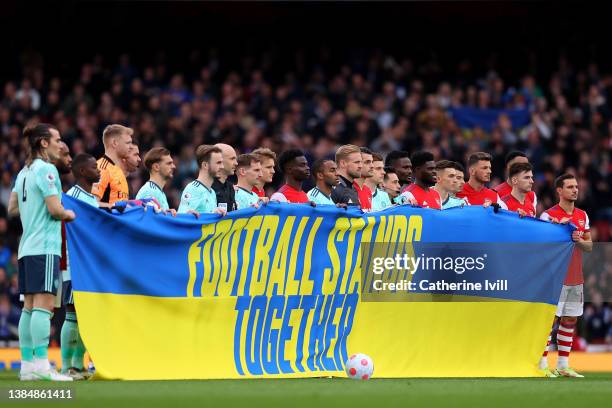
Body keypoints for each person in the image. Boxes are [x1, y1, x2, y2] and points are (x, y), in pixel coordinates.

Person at [7, 124, 75, 381]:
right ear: (44, 143)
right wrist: (69, 214)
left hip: (26, 247)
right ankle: (42, 365)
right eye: (57, 139)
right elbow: (56, 210)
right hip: (45, 247)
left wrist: (30, 211)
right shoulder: (47, 170)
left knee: (29, 307)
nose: (60, 143)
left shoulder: (24, 172)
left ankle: (28, 367)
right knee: (44, 307)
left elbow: (13, 207)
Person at [539, 173, 592, 378]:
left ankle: (563, 365)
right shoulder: (548, 216)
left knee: (569, 320)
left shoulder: (582, 215)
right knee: (549, 320)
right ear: (559, 191)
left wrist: (578, 241)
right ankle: (542, 365)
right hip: (554, 277)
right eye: (570, 187)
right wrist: (558, 232)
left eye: (576, 186)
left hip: (575, 276)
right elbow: (543, 246)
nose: (575, 190)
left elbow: (589, 246)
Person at [62, 154, 100, 380]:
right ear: (83, 172)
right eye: (95, 167)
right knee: (73, 312)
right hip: (74, 260)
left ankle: (78, 364)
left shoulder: (91, 197)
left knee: (85, 314)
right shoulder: (73, 197)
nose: (99, 170)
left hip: (88, 261)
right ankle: (67, 366)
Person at [178, 145, 227, 216]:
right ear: (205, 165)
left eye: (222, 163)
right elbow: (181, 217)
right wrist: (187, 213)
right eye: (218, 163)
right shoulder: (193, 188)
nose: (222, 167)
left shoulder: (212, 192)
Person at [93, 124, 133, 205]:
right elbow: (93, 203)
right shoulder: (102, 168)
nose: (131, 147)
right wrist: (116, 207)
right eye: (128, 143)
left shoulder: (119, 170)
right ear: (114, 143)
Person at [136, 147, 176, 213]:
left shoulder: (159, 191)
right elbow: (147, 220)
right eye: (169, 163)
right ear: (156, 167)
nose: (174, 166)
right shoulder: (149, 191)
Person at [212, 143, 238, 212]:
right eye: (232, 159)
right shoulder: (206, 187)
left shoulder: (231, 187)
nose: (236, 163)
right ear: (219, 160)